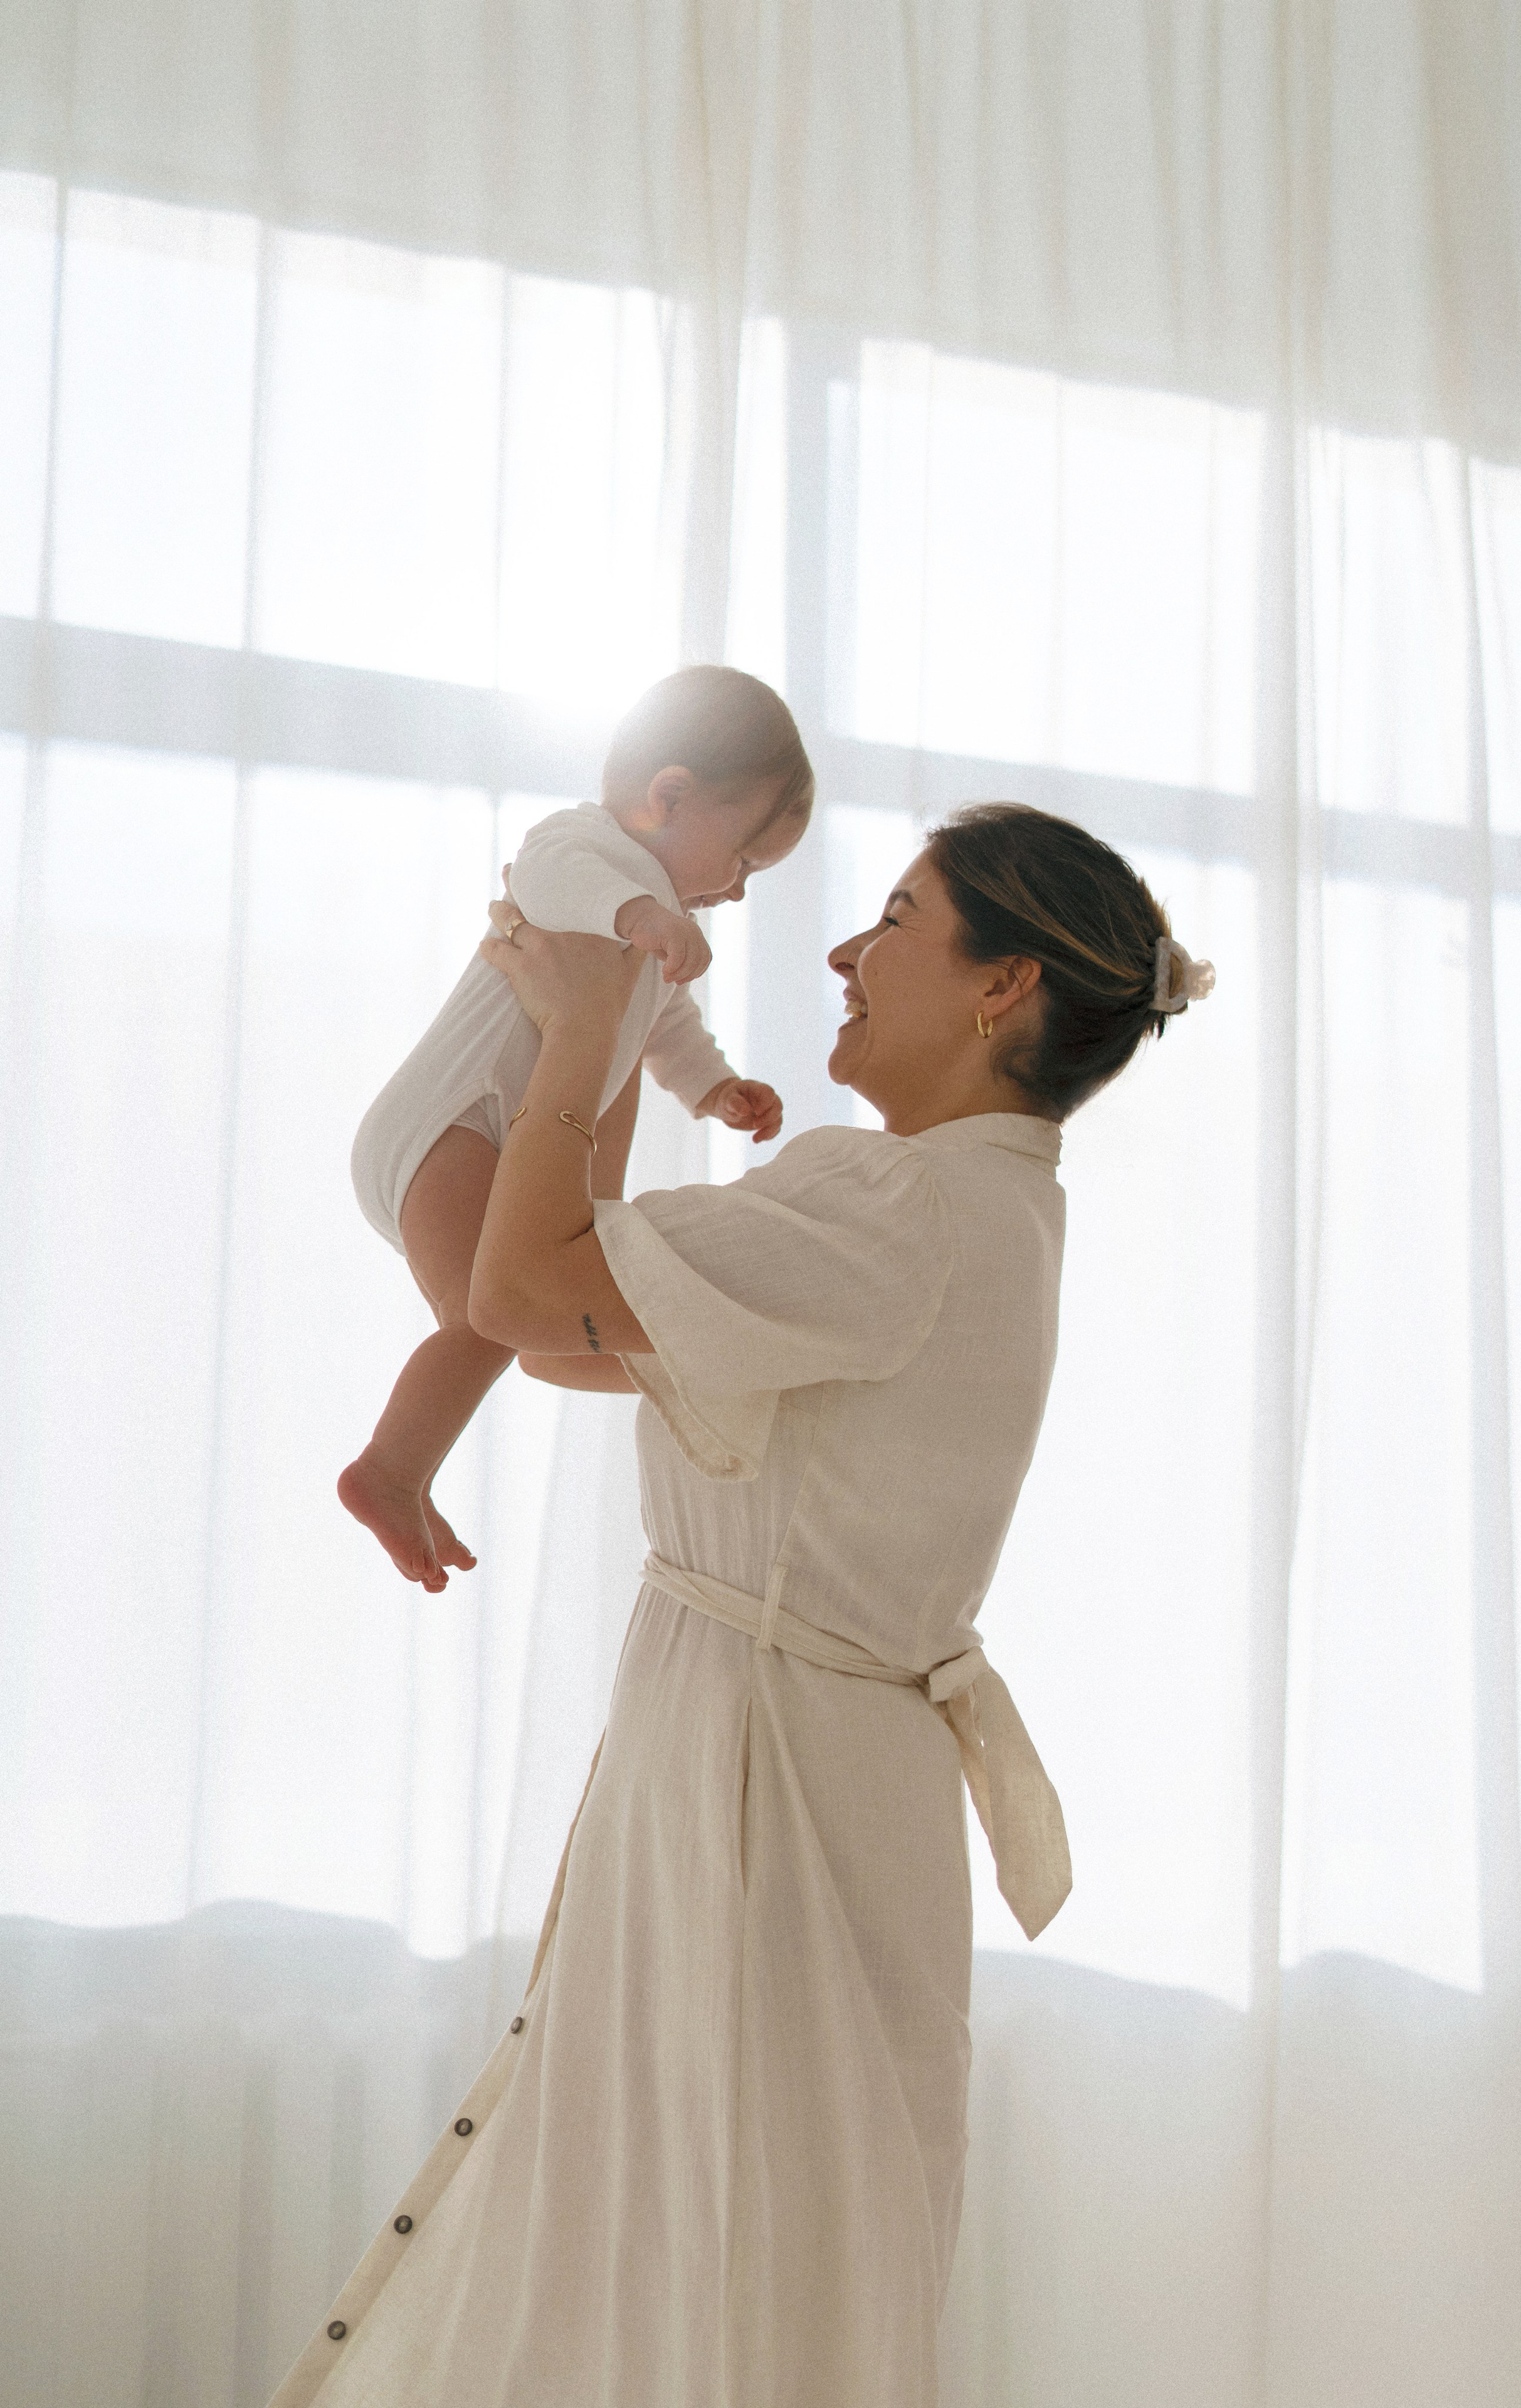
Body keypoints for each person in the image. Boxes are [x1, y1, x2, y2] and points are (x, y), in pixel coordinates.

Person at [271, 802, 1214, 2408]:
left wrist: (586, 1023)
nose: (846, 952)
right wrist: (602, 1047)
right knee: (750, 2245)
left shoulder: (893, 1203)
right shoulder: (960, 1204)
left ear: (1003, 988)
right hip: (783, 1768)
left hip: (764, 1788)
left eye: (898, 919)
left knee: (711, 2246)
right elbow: (567, 1320)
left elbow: (514, 1291)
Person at [338, 666, 813, 1592]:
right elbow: (551, 874)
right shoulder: (590, 848)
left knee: (502, 1325)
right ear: (668, 797)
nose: (739, 891)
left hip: (469, 1134)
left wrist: (714, 1089)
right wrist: (638, 915)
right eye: (745, 861)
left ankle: (409, 1471)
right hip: (449, 1122)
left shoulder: (647, 923)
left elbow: (665, 1025)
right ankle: (389, 1472)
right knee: (495, 1318)